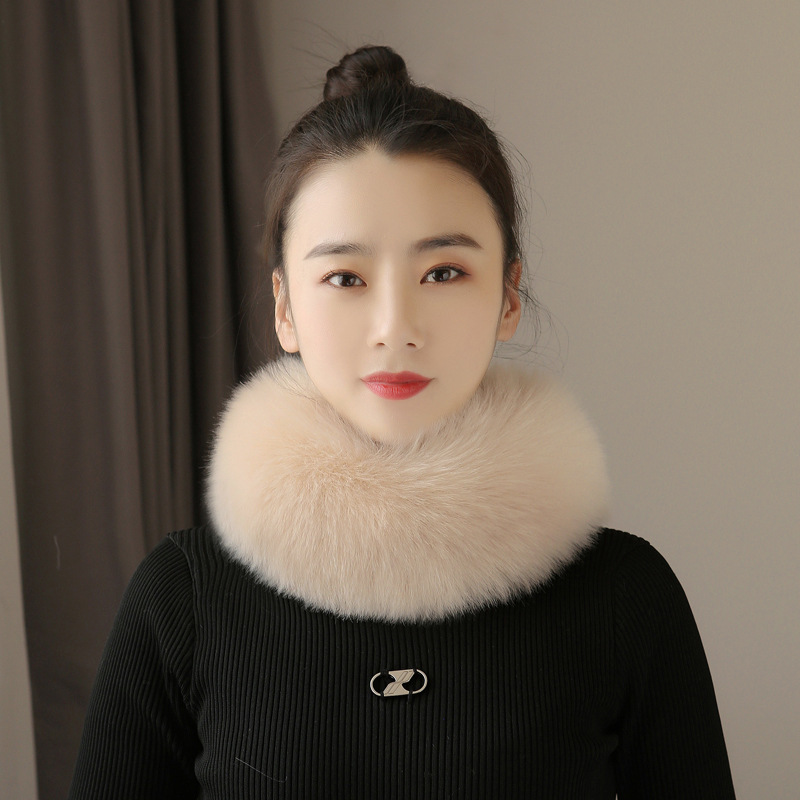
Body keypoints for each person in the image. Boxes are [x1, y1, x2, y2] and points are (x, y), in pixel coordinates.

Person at [69, 45, 736, 798]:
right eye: (345, 277)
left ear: (508, 296)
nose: (395, 327)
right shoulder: (182, 599)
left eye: (443, 272)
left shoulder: (625, 598)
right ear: (285, 307)